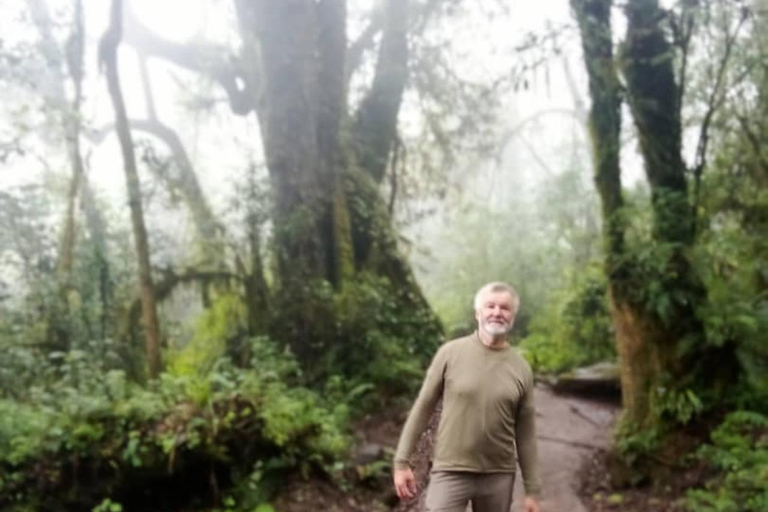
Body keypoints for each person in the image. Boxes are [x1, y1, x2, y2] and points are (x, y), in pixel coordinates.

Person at [393, 281, 542, 512]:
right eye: (490, 306)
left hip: (498, 475)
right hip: (450, 470)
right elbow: (423, 408)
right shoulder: (450, 353)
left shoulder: (521, 367)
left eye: (505, 308)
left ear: (513, 316)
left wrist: (533, 491)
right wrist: (401, 461)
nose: (497, 312)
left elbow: (526, 433)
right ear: (477, 312)